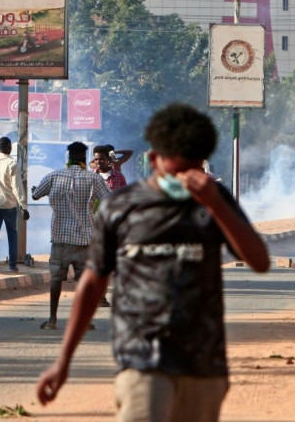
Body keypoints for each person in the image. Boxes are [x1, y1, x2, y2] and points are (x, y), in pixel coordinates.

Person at [36, 103, 270, 420]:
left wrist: (216, 204)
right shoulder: (122, 207)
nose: (184, 177)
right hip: (142, 360)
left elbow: (258, 260)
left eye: (194, 166)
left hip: (203, 364)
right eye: (176, 167)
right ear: (153, 159)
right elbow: (92, 282)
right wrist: (63, 361)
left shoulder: (215, 202)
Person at [32, 142, 110, 330]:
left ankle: (52, 320)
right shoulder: (93, 179)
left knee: (56, 279)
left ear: (68, 157)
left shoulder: (53, 175)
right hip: (84, 239)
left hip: (60, 238)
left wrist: (36, 190)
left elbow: (35, 195)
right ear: (85, 158)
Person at [0, 137, 30, 273]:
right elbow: (17, 186)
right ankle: (12, 265)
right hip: (8, 205)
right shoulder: (12, 163)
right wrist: (23, 206)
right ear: (9, 148)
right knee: (12, 234)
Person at [91, 145, 128, 308]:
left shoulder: (118, 177)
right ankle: (100, 296)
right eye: (96, 159)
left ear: (108, 160)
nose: (98, 162)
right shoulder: (90, 177)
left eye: (101, 159)